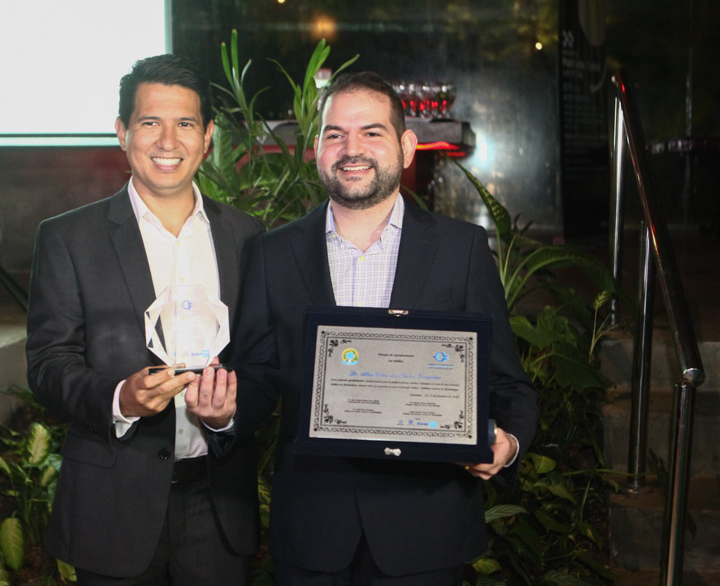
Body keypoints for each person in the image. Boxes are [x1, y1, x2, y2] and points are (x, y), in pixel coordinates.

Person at [230, 71, 539, 585]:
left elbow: (508, 385)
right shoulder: (271, 254)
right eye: (335, 134)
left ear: (407, 145)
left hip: (425, 529)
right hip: (312, 528)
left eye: (371, 132)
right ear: (317, 148)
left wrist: (508, 444)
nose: (352, 149)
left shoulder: (461, 250)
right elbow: (258, 377)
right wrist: (225, 411)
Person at [26, 54, 263, 585]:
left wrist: (227, 414)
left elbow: (263, 360)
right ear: (122, 132)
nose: (168, 141)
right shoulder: (69, 238)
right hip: (113, 505)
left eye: (185, 124)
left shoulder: (247, 237)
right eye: (150, 122)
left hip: (218, 504)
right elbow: (47, 364)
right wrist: (120, 399)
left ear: (207, 137)